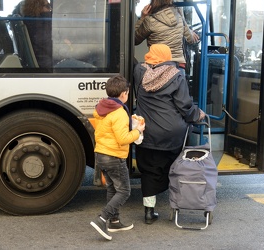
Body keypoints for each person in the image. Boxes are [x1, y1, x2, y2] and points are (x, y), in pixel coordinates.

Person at [133, 44, 205, 224]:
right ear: (167, 56)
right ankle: (176, 207)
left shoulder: (139, 72)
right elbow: (184, 106)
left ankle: (149, 212)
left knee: (149, 171)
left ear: (150, 55)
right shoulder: (176, 75)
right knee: (174, 168)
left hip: (146, 132)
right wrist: (198, 115)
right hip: (172, 134)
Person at [90, 75, 146, 241]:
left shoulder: (102, 108)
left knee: (113, 189)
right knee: (124, 191)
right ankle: (102, 219)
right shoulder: (119, 112)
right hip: (114, 156)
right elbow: (123, 138)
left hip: (101, 155)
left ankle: (114, 221)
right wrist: (139, 130)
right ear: (124, 93)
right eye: (128, 93)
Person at [134, 0, 200, 73]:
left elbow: (134, 40)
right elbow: (190, 39)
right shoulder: (179, 15)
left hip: (158, 67)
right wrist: (187, 28)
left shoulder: (149, 21)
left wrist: (142, 18)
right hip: (178, 68)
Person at [13, 0, 53, 71]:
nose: (50, 9)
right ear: (37, 7)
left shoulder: (30, 22)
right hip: (48, 63)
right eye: (48, 6)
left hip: (44, 61)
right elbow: (46, 45)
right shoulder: (40, 23)